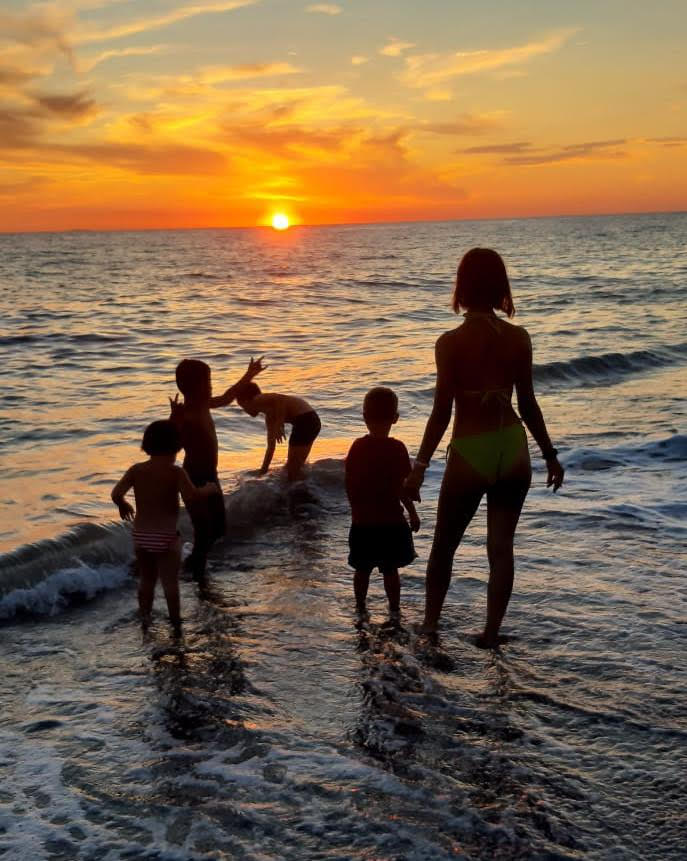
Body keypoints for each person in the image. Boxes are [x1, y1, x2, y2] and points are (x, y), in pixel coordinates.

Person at [404, 248, 564, 647]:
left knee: (444, 545)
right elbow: (527, 403)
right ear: (499, 286)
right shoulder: (519, 337)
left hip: (470, 449)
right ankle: (491, 632)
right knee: (501, 548)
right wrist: (550, 454)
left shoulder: (450, 342)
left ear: (462, 285)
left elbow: (441, 412)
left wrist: (420, 465)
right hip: (513, 447)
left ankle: (429, 627)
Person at [111, 420, 219, 631]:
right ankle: (175, 623)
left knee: (147, 581)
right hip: (167, 537)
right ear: (177, 446)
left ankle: (145, 618)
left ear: (147, 445)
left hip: (141, 536)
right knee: (170, 583)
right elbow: (191, 496)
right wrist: (209, 490)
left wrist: (122, 504)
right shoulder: (176, 472)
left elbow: (116, 493)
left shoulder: (136, 470)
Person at [169, 356, 264, 577]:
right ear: (193, 387)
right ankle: (195, 572)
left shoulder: (203, 404)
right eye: (207, 382)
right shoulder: (186, 414)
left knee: (218, 528)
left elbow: (227, 396)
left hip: (210, 475)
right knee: (204, 530)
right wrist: (174, 419)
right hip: (193, 477)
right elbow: (171, 447)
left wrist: (249, 375)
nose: (211, 386)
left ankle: (194, 564)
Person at [345, 387, 420, 616]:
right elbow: (401, 487)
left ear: (364, 416)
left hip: (363, 523)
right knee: (390, 571)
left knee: (362, 570)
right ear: (395, 418)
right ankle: (395, 609)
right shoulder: (397, 448)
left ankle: (360, 606)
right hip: (392, 523)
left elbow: (350, 484)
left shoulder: (357, 447)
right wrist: (412, 513)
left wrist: (356, 512)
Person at [235, 382, 321, 481]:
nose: (245, 411)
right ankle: (308, 486)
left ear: (246, 401)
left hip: (306, 420)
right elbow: (271, 447)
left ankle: (302, 489)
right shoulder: (270, 418)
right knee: (294, 468)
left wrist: (279, 424)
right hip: (310, 423)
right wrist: (262, 471)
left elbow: (280, 399)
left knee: (292, 471)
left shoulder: (258, 398)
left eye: (243, 407)